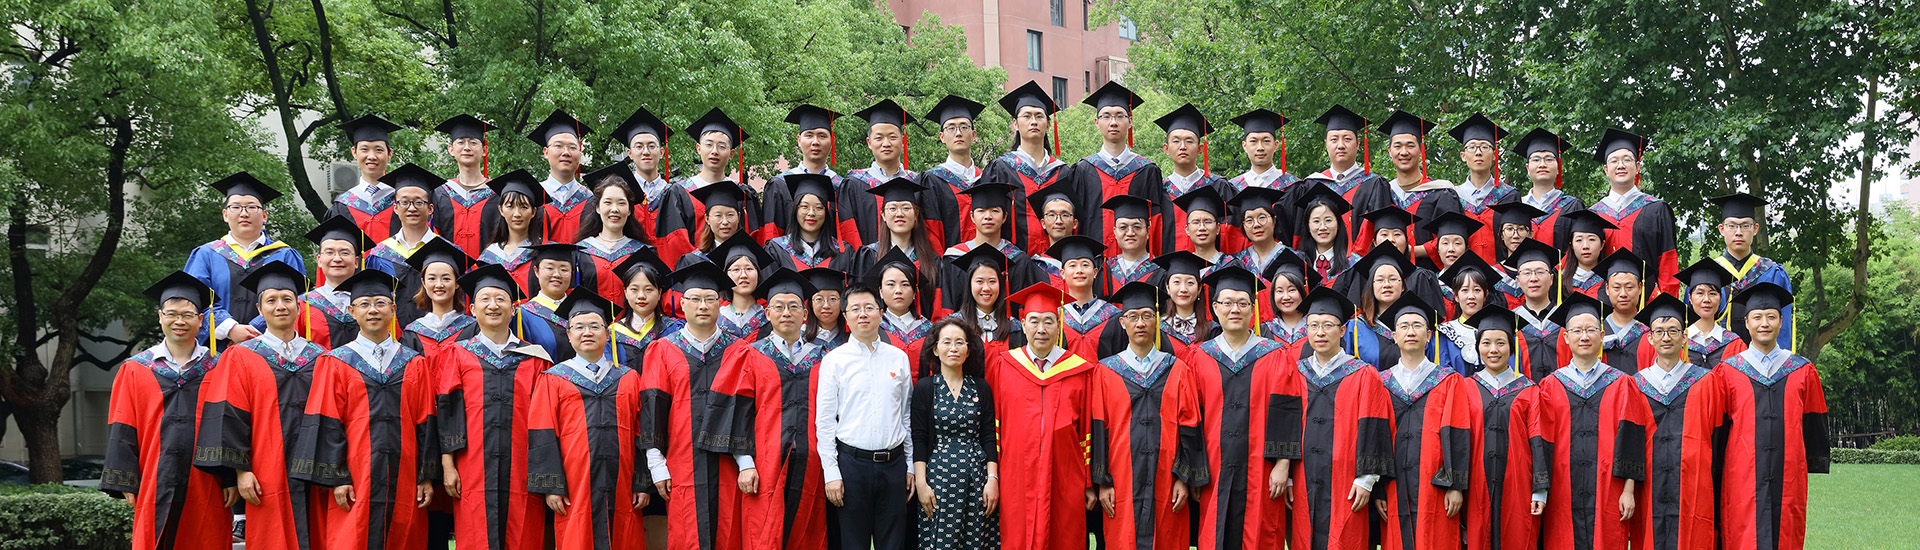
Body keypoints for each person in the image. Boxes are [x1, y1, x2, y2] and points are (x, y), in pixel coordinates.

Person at [292, 268, 442, 550]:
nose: (373, 310)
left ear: (393, 309)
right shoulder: (336, 362)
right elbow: (327, 422)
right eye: (364, 304)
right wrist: (338, 477)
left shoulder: (414, 362)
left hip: (405, 476)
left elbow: (425, 421)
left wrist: (425, 476)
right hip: (355, 477)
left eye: (380, 303)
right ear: (352, 311)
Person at [194, 261, 328, 550]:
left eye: (287, 299)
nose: (280, 306)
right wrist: (240, 472)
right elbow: (228, 417)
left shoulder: (322, 358)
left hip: (316, 473)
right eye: (271, 300)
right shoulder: (240, 357)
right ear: (259, 309)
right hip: (264, 472)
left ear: (298, 306)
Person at [702, 269, 831, 550]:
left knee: (808, 534)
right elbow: (737, 413)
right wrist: (745, 464)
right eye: (779, 307)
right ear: (768, 313)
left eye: (793, 306)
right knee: (763, 533)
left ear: (805, 314)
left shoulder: (823, 357)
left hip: (813, 463)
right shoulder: (750, 354)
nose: (786, 313)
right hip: (764, 463)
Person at [104, 271, 230, 550]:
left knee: (206, 539)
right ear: (160, 317)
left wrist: (231, 476)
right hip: (153, 475)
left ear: (201, 319)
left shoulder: (221, 367)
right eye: (172, 314)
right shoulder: (136, 369)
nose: (179, 321)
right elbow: (122, 425)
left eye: (187, 315)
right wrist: (124, 479)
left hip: (208, 480)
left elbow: (232, 426)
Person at [1175, 268, 1298, 550]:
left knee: (1259, 536)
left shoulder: (1275, 356)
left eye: (1243, 303)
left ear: (1253, 310)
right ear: (1215, 308)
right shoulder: (1199, 357)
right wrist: (1194, 470)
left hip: (1261, 469)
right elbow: (1190, 418)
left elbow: (1287, 411)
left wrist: (1282, 465)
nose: (1235, 310)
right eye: (1228, 303)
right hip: (1213, 469)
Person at [431, 264, 552, 550]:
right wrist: (448, 465)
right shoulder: (457, 354)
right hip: (471, 465)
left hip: (523, 466)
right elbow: (447, 411)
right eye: (485, 299)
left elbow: (545, 421)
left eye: (501, 299)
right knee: (475, 536)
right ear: (473, 309)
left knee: (523, 536)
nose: (493, 305)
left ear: (513, 309)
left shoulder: (535, 359)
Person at [1090, 282, 1210, 550]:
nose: (1140, 323)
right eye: (1133, 317)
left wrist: (1183, 477)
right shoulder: (1106, 372)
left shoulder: (1177, 369)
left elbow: (1190, 426)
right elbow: (1099, 429)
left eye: (1146, 316)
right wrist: (1102, 482)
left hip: (1167, 479)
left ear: (1156, 321)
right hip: (1120, 480)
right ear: (1123, 323)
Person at [527, 292, 651, 550]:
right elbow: (543, 434)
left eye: (595, 326)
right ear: (569, 334)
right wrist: (552, 485)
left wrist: (641, 481)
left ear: (607, 333)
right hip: (575, 483)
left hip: (623, 482)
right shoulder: (554, 379)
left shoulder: (628, 378)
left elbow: (641, 433)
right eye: (579, 327)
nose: (587, 332)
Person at [639, 261, 746, 550]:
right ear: (682, 304)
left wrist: (746, 461)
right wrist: (656, 464)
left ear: (721, 304)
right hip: (681, 460)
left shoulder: (739, 351)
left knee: (728, 532)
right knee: (686, 533)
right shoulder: (662, 350)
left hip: (728, 462)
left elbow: (747, 411)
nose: (703, 306)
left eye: (710, 299)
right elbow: (652, 408)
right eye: (695, 299)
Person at [1714, 282, 1829, 550]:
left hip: (1788, 472)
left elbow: (1813, 421)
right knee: (1742, 533)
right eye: (1757, 317)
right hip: (1740, 472)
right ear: (1746, 323)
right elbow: (1718, 429)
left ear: (1781, 321)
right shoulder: (1727, 372)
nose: (1764, 323)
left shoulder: (1802, 370)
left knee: (1786, 532)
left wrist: (1809, 462)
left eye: (1771, 317)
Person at [1534, 291, 1652, 550]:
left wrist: (1629, 490)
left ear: (1601, 335)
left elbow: (1632, 438)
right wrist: (1541, 489)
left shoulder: (1622, 383)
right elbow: (1542, 442)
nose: (1584, 337)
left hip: (1609, 487)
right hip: (1562, 487)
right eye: (1577, 331)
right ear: (1566, 338)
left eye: (1590, 330)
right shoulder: (1550, 386)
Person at [988, 283, 1099, 550]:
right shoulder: (1004, 366)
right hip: (1016, 474)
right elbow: (993, 426)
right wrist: (994, 475)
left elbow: (1086, 431)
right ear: (1023, 325)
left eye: (1048, 321)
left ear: (1059, 325)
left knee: (1064, 537)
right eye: (1034, 321)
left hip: (1064, 475)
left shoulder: (1079, 371)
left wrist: (1087, 481)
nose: (1041, 329)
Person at [1285, 286, 1394, 550]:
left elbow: (1374, 427)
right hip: (1302, 477)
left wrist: (1366, 479)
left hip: (1347, 481)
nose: (1320, 332)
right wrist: (1287, 475)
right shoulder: (1295, 373)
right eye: (1313, 326)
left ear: (1343, 331)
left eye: (1328, 325)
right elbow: (1285, 425)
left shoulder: (1363, 375)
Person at [815, 282, 916, 550]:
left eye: (869, 307)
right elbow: (825, 422)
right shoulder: (834, 361)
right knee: (853, 543)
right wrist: (831, 473)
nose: (863, 314)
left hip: (893, 465)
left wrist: (909, 465)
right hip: (852, 466)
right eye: (855, 309)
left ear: (881, 313)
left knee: (893, 544)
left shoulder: (898, 358)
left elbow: (905, 416)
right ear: (845, 316)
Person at [1372, 295, 1472, 550]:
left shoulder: (1448, 380)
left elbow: (1458, 434)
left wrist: (1456, 486)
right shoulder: (1381, 383)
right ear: (1394, 336)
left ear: (1428, 336)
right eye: (1404, 326)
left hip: (1436, 484)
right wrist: (1379, 488)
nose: (1410, 332)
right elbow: (1377, 440)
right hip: (1394, 483)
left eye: (1417, 326)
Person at [1633, 293, 1727, 550]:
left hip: (1694, 483)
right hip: (1648, 484)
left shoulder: (1706, 382)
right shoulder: (1635, 384)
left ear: (1685, 338)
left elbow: (1718, 438)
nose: (1666, 337)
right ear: (1650, 338)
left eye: (1673, 331)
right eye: (1659, 332)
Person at [1460, 305, 1548, 550]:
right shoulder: (1465, 388)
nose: (1493, 350)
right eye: (1486, 343)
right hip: (1476, 484)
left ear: (1511, 347)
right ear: (1477, 347)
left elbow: (1538, 440)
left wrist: (1540, 489)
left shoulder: (1529, 390)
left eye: (1501, 343)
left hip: (1518, 484)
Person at [186, 172, 308, 344]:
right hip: (216, 349)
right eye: (235, 207)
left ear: (264, 215)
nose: (243, 213)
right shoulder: (205, 255)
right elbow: (191, 299)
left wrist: (254, 329)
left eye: (251, 207)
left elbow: (299, 299)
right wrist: (230, 328)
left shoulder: (284, 254)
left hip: (272, 346)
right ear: (225, 215)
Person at [911, 319, 1001, 549]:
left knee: (975, 540)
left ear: (968, 350)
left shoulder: (980, 387)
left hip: (976, 477)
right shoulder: (925, 387)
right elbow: (919, 438)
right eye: (947, 342)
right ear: (935, 349)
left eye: (960, 342)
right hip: (938, 478)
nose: (953, 348)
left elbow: (988, 436)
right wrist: (921, 483)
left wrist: (992, 479)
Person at [1071, 81, 1167, 256]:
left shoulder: (1147, 171)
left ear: (1130, 122)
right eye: (1106, 116)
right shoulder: (1083, 170)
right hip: (1094, 263)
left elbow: (1156, 222)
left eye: (1120, 116)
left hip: (1138, 264)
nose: (1113, 122)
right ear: (1097, 122)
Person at [1588, 128, 1679, 296]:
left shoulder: (1657, 209)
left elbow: (1668, 260)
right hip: (1603, 301)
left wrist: (1666, 304)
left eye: (1627, 160)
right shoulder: (1593, 214)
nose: (1620, 165)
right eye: (1614, 161)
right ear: (1606, 170)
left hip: (1648, 302)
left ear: (1637, 167)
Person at [1363, 110, 1463, 263]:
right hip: (1390, 273)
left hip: (1430, 274)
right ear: (1390, 151)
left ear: (1421, 149)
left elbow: (1453, 238)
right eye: (1397, 146)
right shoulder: (1383, 193)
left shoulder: (1442, 192)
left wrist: (1411, 251)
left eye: (1410, 146)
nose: (1404, 152)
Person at [611, 106, 700, 263]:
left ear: (661, 152)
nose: (645, 151)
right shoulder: (621, 193)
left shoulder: (678, 195)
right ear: (629, 153)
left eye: (652, 146)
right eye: (639, 146)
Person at [366, 163, 450, 329]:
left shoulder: (446, 251)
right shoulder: (379, 255)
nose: (412, 208)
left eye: (419, 202)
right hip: (390, 336)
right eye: (404, 202)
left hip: (438, 336)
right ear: (395, 208)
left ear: (430, 209)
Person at [991, 81, 1070, 255]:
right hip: (1013, 262)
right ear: (1015, 124)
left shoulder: (1063, 172)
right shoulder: (1001, 169)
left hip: (1057, 262)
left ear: (1048, 125)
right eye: (1027, 116)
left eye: (1039, 116)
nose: (1033, 121)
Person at [1710, 192, 1796, 348]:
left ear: (1755, 229)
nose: (1738, 232)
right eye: (1731, 226)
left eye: (1745, 226)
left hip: (1764, 358)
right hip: (1716, 358)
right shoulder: (1709, 272)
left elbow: (1783, 329)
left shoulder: (1772, 273)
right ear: (1722, 229)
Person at [679, 108, 769, 245]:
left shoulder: (745, 194)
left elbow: (755, 239)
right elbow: (675, 244)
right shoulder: (680, 192)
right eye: (708, 145)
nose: (714, 151)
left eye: (722, 146)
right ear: (698, 149)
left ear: (731, 154)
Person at [840, 99, 921, 247]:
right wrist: (863, 258)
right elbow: (848, 231)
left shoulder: (917, 182)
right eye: (879, 138)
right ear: (869, 142)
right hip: (867, 260)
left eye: (892, 137)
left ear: (903, 141)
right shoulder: (854, 184)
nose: (886, 144)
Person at [1159, 104, 1236, 255]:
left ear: (1200, 149)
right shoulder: (1159, 190)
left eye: (1189, 141)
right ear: (1166, 148)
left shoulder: (1219, 187)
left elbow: (1234, 235)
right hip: (1171, 269)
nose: (1182, 146)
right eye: (1176, 141)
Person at [918, 95, 992, 247]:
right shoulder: (932, 181)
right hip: (949, 260)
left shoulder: (987, 178)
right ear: (942, 137)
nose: (958, 133)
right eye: (951, 128)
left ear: (974, 135)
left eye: (964, 127)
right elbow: (930, 233)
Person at [297, 216, 382, 349]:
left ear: (356, 262)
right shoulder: (303, 305)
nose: (337, 259)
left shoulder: (377, 303)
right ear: (319, 260)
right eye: (329, 252)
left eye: (345, 253)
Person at [761, 104, 844, 238]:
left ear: (831, 140)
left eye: (822, 136)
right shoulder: (780, 184)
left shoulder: (842, 187)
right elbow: (771, 234)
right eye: (809, 135)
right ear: (799, 140)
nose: (815, 142)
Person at [574, 170, 656, 305]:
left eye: (621, 203)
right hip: (592, 318)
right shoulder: (579, 252)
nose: (614, 209)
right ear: (598, 208)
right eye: (608, 202)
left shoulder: (643, 252)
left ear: (629, 210)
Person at [1501, 127, 1586, 248]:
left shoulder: (1572, 207)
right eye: (1536, 159)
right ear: (1527, 168)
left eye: (1549, 159)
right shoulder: (1516, 206)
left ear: (1558, 168)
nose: (1542, 164)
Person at [1448, 113, 1513, 263]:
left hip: (1502, 274)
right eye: (1472, 147)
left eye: (1484, 147)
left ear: (1494, 155)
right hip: (1462, 275)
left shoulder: (1509, 196)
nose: (1478, 152)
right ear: (1463, 156)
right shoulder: (1452, 196)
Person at [327, 114, 403, 242]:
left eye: (378, 150)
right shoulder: (342, 205)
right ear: (354, 152)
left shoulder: (403, 201)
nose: (371, 156)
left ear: (389, 153)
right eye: (364, 149)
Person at [431, 114, 498, 255]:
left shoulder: (498, 192)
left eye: (473, 143)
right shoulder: (439, 192)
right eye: (461, 142)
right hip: (448, 267)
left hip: (488, 266)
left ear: (484, 150)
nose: (467, 148)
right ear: (451, 149)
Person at [397, 239, 474, 359]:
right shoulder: (412, 333)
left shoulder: (473, 328)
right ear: (424, 283)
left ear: (457, 283)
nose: (439, 285)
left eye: (446, 279)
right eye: (432, 278)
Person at [477, 169, 548, 297]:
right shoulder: (489, 256)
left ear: (533, 212)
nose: (517, 214)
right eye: (510, 206)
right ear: (501, 210)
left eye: (524, 207)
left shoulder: (544, 252)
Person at [527, 109, 595, 241]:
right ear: (546, 152)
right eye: (558, 146)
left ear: (579, 153)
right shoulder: (533, 197)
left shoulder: (591, 200)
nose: (566, 152)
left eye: (572, 147)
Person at [765, 173, 856, 271]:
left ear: (826, 212)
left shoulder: (844, 252)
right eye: (804, 207)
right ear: (795, 210)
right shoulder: (776, 250)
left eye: (818, 208)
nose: (811, 213)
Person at [1051, 236, 1119, 361]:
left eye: (1085, 265)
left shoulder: (1113, 316)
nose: (1079, 270)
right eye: (1072, 265)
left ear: (1095, 272)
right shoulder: (1055, 316)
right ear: (1062, 274)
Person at [1436, 252, 1504, 374]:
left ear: (1485, 295)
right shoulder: (1445, 334)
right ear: (1456, 296)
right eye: (1465, 290)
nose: (1471, 296)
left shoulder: (1500, 332)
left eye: (1477, 290)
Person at [517, 243, 587, 362]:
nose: (557, 275)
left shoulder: (583, 310)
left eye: (564, 270)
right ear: (536, 271)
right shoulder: (523, 315)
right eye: (549, 268)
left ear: (572, 274)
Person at [1505, 239, 1564, 380]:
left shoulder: (1565, 318)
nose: (1533, 278)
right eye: (1527, 273)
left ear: (1551, 279)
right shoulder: (1511, 321)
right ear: (1518, 281)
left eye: (1540, 272)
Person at [1673, 258, 1746, 367]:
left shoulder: (1735, 343)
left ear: (1720, 298)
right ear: (1690, 298)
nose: (1706, 299)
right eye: (1700, 293)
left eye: (1712, 294)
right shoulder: (1677, 341)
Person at [870, 249, 937, 365]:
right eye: (891, 284)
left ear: (914, 292)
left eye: (905, 284)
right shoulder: (873, 327)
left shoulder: (929, 329)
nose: (898, 291)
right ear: (880, 291)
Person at [612, 251, 685, 355]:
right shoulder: (613, 333)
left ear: (659, 293)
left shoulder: (675, 329)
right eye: (634, 289)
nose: (641, 296)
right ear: (625, 293)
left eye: (648, 289)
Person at [711, 233, 776, 341]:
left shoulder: (770, 319)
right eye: (736, 269)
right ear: (726, 275)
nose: (743, 275)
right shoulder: (716, 319)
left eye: (749, 269)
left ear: (758, 274)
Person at [1597, 249, 1652, 374]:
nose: (1623, 294)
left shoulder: (1650, 332)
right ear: (1607, 289)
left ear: (1640, 288)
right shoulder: (1597, 331)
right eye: (1616, 287)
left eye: (1629, 287)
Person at [1293, 183, 1359, 284]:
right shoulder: (1298, 263)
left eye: (1328, 220)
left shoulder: (1353, 264)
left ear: (1338, 224)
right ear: (1308, 226)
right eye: (1316, 221)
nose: (1323, 227)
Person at [1227, 108, 1303, 195]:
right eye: (1253, 141)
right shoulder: (1233, 188)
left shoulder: (1293, 186)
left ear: (1275, 145)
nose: (1260, 147)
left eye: (1266, 141)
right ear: (1245, 146)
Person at [1153, 251, 1214, 359]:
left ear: (1199, 288)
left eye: (1190, 283)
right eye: (1177, 282)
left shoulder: (1213, 330)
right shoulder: (1157, 328)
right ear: (1168, 287)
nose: (1183, 289)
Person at [1228, 187, 1295, 280]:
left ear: (1274, 220)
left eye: (1262, 217)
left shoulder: (1294, 258)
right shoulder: (1236, 262)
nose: (1256, 225)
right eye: (1249, 220)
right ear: (1243, 225)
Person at [1172, 186, 1239, 275]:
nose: (1202, 228)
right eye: (1196, 222)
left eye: (1208, 222)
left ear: (1218, 228)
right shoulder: (1182, 267)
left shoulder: (1231, 266)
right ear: (1187, 229)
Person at [1102, 195, 1163, 289]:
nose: (1130, 233)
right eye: (1123, 227)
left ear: (1148, 232)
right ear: (1115, 232)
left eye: (1137, 227)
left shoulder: (1160, 271)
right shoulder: (1106, 269)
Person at [1487, 201, 1547, 266]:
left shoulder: (1540, 269)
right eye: (1510, 229)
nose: (1515, 236)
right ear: (1501, 235)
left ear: (1530, 234)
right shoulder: (1495, 270)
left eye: (1521, 229)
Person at [803, 267, 850, 349]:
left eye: (832, 299)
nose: (826, 306)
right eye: (819, 299)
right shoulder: (799, 338)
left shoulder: (852, 338)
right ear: (811, 303)